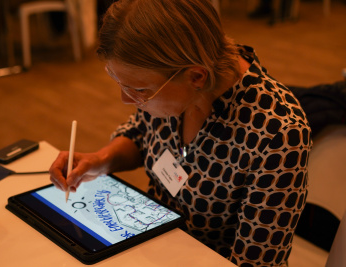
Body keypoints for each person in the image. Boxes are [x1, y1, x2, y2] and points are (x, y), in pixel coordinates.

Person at [49, 0, 312, 266]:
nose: (125, 99)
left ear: (196, 77)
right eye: (120, 83)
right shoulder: (170, 87)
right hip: (152, 241)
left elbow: (256, 262)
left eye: (138, 90)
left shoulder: (278, 134)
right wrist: (100, 160)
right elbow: (141, 135)